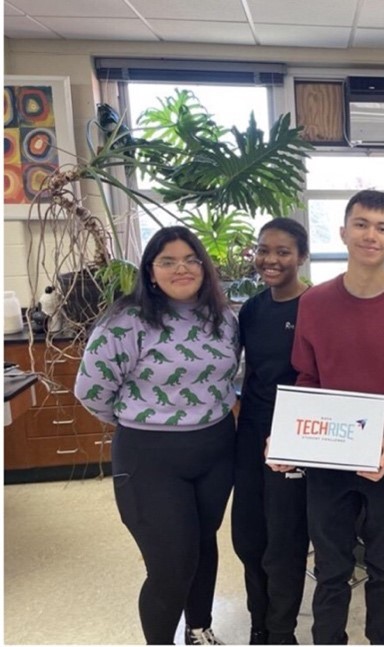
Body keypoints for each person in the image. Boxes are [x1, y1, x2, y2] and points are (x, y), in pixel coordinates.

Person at [279, 189, 384, 644]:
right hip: (327, 454)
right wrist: (291, 434)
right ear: (344, 231)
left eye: (383, 228)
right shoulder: (314, 303)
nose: (371, 235)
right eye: (362, 224)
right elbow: (306, 377)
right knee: (331, 568)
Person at [74, 226, 239, 646]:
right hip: (150, 458)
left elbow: (231, 377)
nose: (181, 268)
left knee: (202, 544)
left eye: (190, 259)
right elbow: (92, 391)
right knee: (171, 565)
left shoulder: (223, 318)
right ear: (150, 271)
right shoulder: (126, 322)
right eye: (168, 260)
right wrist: (147, 420)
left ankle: (199, 630)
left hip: (216, 449)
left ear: (204, 267)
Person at [232, 219, 311, 645]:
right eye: (264, 250)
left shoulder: (317, 306)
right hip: (251, 432)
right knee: (248, 534)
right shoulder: (253, 309)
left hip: (296, 434)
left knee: (284, 540)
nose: (271, 259)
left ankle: (282, 632)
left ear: (301, 256)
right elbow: (239, 371)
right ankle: (258, 623)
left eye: (282, 251)